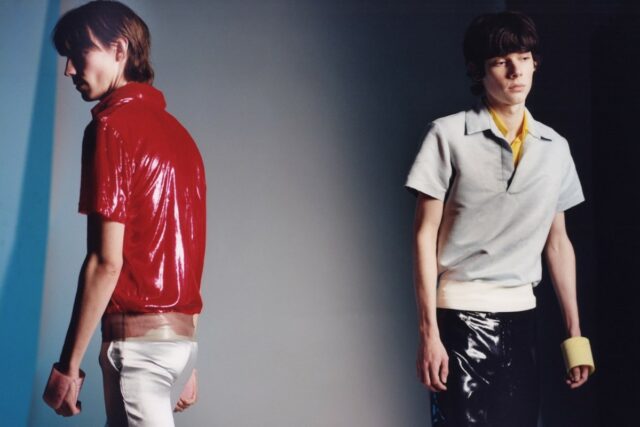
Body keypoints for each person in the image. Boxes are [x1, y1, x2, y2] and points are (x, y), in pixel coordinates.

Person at [406, 11, 594, 427]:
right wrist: (429, 333)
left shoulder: (556, 148)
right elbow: (423, 236)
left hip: (523, 321)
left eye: (524, 58)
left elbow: (558, 243)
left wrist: (575, 335)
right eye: (500, 61)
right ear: (478, 70)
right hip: (459, 318)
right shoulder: (447, 135)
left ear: (535, 63)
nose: (515, 71)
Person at [42, 2, 206, 425]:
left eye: (79, 53)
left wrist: (68, 367)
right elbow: (186, 255)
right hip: (179, 345)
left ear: (119, 50)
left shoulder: (111, 128)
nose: (70, 70)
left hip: (139, 352)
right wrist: (184, 359)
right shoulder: (182, 138)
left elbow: (105, 261)